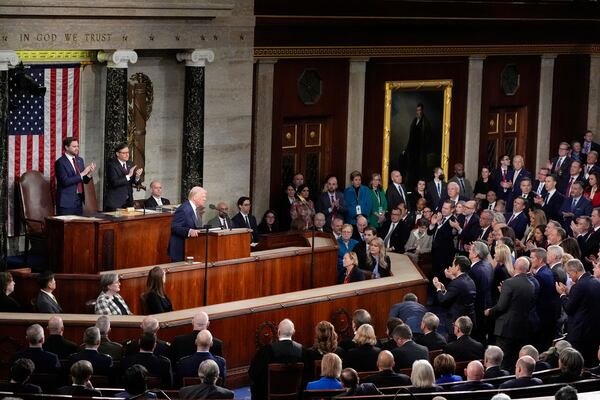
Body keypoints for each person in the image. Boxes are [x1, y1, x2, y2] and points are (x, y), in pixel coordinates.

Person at [485, 256, 537, 371]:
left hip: (506, 328)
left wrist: (490, 311)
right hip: (522, 327)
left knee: (503, 358)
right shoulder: (531, 284)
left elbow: (501, 306)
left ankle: (502, 381)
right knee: (514, 358)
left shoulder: (509, 283)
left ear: (514, 267)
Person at [555, 259, 600, 366]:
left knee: (579, 364)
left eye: (569, 274)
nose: (569, 277)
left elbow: (569, 308)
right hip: (594, 332)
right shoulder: (596, 282)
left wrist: (562, 295)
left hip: (580, 334)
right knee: (591, 363)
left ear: (575, 271)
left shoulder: (579, 286)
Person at [249, 319, 304, 399]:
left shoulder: (265, 352)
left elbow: (252, 374)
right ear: (293, 332)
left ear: (278, 332)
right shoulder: (303, 351)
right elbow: (308, 377)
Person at [55, 137, 95, 215]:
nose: (77, 148)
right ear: (66, 147)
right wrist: (83, 173)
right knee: (67, 227)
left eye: (77, 146)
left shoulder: (80, 160)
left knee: (77, 226)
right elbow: (65, 182)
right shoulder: (60, 162)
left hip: (79, 201)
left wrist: (89, 173)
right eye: (74, 146)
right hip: (66, 203)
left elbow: (84, 181)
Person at [167, 186, 208, 262]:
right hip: (180, 251)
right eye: (203, 197)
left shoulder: (196, 209)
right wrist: (189, 231)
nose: (205, 199)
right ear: (195, 197)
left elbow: (196, 227)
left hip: (190, 249)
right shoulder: (184, 209)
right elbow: (174, 227)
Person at [404, 103, 436, 188]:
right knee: (411, 170)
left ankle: (419, 187)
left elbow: (428, 139)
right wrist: (406, 149)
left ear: (422, 111)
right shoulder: (414, 121)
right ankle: (410, 187)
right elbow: (411, 137)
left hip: (421, 152)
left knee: (420, 171)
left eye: (420, 110)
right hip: (413, 151)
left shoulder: (425, 122)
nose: (418, 112)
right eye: (417, 110)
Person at [103, 142, 143, 211]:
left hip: (128, 202)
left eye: (128, 152)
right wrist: (129, 175)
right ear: (117, 154)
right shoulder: (112, 165)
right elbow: (115, 182)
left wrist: (137, 176)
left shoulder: (130, 163)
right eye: (124, 153)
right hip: (115, 203)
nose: (127, 155)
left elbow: (135, 182)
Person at [428, 200, 458, 280]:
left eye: (446, 208)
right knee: (435, 275)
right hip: (435, 252)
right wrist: (433, 224)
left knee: (443, 277)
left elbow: (447, 236)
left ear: (452, 210)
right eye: (443, 207)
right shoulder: (439, 218)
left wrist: (439, 223)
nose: (443, 210)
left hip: (445, 254)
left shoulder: (453, 221)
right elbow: (429, 232)